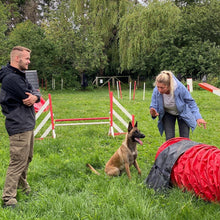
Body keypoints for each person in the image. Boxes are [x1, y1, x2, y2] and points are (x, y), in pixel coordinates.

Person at [0, 46, 41, 208]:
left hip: (27, 122)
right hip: (18, 124)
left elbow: (35, 92)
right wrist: (34, 96)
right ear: (17, 59)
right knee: (17, 161)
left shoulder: (19, 75)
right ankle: (8, 198)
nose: (29, 62)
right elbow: (27, 96)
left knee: (27, 158)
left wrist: (36, 96)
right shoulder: (11, 78)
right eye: (27, 59)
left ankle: (23, 187)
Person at [150, 70, 207, 141]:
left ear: (169, 86)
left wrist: (198, 117)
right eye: (158, 87)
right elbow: (153, 104)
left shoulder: (179, 88)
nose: (159, 90)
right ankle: (170, 152)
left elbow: (191, 102)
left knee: (184, 139)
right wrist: (153, 112)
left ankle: (184, 152)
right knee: (169, 138)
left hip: (183, 113)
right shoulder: (157, 90)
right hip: (168, 113)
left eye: (162, 88)